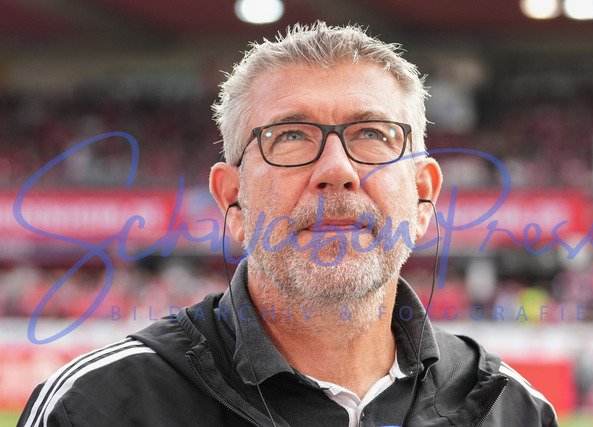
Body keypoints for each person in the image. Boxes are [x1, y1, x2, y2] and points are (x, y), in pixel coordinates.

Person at [19, 22, 558, 426]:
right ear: (233, 200)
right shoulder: (95, 407)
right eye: (291, 136)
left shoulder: (512, 410)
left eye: (372, 134)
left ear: (423, 196)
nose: (337, 170)